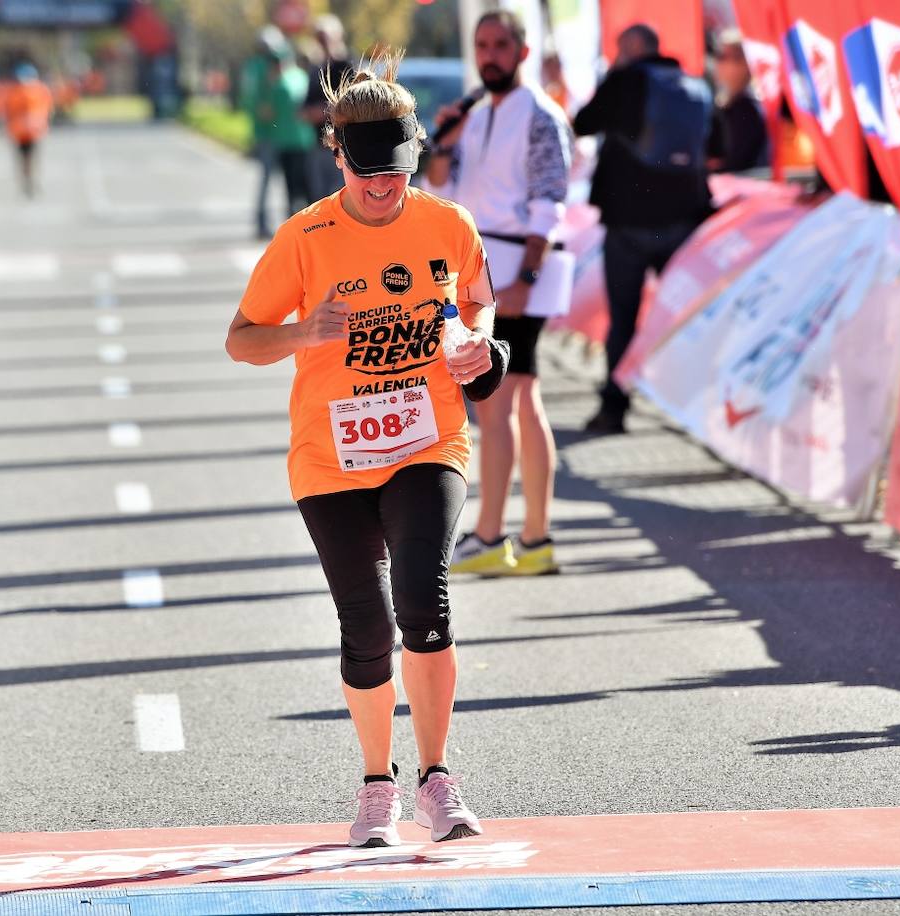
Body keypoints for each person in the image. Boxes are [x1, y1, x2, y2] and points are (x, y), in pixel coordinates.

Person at [225, 49, 509, 849]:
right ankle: (377, 785)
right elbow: (240, 341)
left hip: (427, 435)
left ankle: (437, 778)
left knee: (424, 594)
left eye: (398, 172)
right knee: (367, 623)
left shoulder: (447, 224)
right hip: (330, 453)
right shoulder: (306, 236)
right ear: (338, 157)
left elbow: (479, 304)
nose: (384, 187)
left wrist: (475, 345)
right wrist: (300, 332)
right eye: (368, 173)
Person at [425, 10, 573, 577]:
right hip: (487, 270)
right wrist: (444, 141)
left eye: (500, 45)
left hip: (518, 271)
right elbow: (442, 185)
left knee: (497, 400)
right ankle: (534, 537)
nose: (489, 55)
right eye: (481, 45)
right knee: (521, 397)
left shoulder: (539, 115)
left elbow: (549, 203)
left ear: (522, 51)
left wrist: (525, 281)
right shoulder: (476, 113)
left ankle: (490, 533)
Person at [573, 23, 712, 435]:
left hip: (630, 223)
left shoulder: (624, 80)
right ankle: (700, 413)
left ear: (632, 48)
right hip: (685, 220)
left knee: (624, 320)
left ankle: (614, 410)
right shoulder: (694, 86)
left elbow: (583, 123)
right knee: (688, 319)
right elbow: (714, 146)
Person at [241, 27, 313, 238]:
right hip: (267, 134)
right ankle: (263, 222)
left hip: (283, 136)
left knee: (292, 181)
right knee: (269, 179)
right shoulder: (257, 68)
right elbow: (257, 105)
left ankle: (290, 222)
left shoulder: (284, 71)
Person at [303, 15, 354, 200]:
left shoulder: (347, 65)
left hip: (343, 144)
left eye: (325, 38)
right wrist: (309, 113)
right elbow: (305, 105)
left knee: (341, 197)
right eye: (319, 38)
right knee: (318, 198)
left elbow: (352, 101)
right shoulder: (316, 69)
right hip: (318, 143)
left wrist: (324, 111)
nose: (322, 43)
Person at [707, 31, 768, 173]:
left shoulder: (747, 108)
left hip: (744, 187)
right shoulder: (725, 102)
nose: (717, 63)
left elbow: (735, 161)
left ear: (745, 64)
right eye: (717, 56)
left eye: (723, 57)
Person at [4, 63, 53, 197]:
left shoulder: (19, 91)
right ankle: (29, 180)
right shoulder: (37, 90)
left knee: (27, 159)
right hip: (27, 131)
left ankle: (29, 180)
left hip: (27, 131)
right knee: (29, 158)